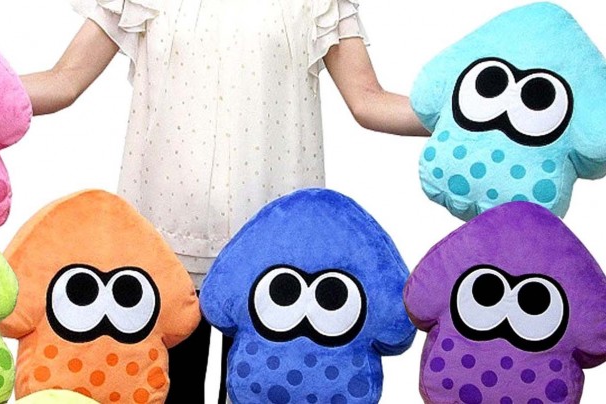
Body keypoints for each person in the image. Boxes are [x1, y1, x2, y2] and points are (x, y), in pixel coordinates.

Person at [22, 0, 429, 401]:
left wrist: (458, 118)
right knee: (165, 393)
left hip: (275, 262)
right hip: (165, 252)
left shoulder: (315, 3)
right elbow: (64, 80)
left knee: (258, 394)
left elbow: (368, 100)